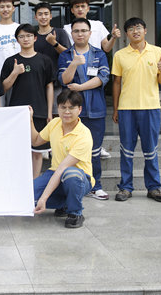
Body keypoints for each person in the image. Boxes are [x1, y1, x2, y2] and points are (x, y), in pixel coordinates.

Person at [112, 17, 161, 203]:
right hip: (126, 109)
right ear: (126, 34)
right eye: (131, 29)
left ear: (145, 30)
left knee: (150, 150)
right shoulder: (120, 55)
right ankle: (125, 187)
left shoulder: (157, 52)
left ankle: (154, 187)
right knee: (126, 150)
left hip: (150, 108)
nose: (135, 31)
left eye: (138, 27)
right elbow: (116, 83)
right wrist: (115, 109)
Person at [58, 18, 110, 200]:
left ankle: (95, 186)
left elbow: (103, 78)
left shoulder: (99, 54)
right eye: (76, 31)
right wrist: (73, 64)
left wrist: (80, 87)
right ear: (71, 34)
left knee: (94, 151)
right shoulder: (65, 55)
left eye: (83, 30)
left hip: (95, 109)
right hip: (71, 112)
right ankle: (71, 187)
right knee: (70, 150)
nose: (80, 34)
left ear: (90, 33)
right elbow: (64, 79)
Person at [65, 0, 120, 159]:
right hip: (76, 69)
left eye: (83, 6)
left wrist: (114, 37)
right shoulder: (67, 28)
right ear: (72, 10)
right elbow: (66, 51)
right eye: (77, 6)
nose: (80, 9)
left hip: (95, 68)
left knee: (95, 118)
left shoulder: (98, 25)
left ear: (88, 8)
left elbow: (106, 48)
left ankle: (97, 147)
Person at [30, 90, 94, 229]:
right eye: (63, 107)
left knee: (70, 174)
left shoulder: (83, 135)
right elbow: (35, 141)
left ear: (79, 110)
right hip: (54, 173)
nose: (67, 111)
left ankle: (75, 213)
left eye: (71, 108)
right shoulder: (54, 123)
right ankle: (65, 203)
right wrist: (30, 119)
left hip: (79, 177)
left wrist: (44, 198)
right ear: (58, 108)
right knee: (27, 197)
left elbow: (63, 168)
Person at [1, 24, 55, 178]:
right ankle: (20, 182)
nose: (26, 39)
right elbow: (3, 88)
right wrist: (15, 73)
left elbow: (49, 86)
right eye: (22, 36)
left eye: (29, 35)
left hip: (39, 111)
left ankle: (34, 184)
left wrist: (49, 112)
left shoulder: (45, 60)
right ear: (17, 40)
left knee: (37, 152)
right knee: (18, 151)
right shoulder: (11, 61)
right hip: (17, 113)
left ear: (35, 38)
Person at [33, 2, 71, 118]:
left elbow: (68, 54)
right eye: (40, 14)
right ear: (35, 17)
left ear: (51, 16)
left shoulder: (59, 32)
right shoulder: (33, 36)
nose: (43, 17)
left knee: (56, 114)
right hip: (37, 82)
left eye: (46, 14)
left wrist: (54, 43)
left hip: (56, 82)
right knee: (38, 114)